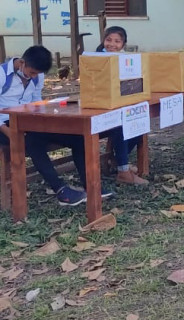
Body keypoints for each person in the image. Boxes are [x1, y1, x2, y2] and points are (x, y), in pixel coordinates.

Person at [0, 46, 112, 205]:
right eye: (31, 73)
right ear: (22, 63)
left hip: (28, 121)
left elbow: (36, 103)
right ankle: (61, 191)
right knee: (31, 142)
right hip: (4, 124)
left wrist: (48, 120)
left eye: (37, 74)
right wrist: (10, 132)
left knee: (79, 137)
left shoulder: (37, 77)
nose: (33, 77)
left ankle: (91, 186)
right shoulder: (2, 75)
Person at [96, 26, 147, 186]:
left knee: (139, 127)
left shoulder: (126, 59)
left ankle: (116, 161)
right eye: (108, 40)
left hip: (122, 102)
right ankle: (123, 171)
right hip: (101, 105)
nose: (112, 44)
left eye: (117, 41)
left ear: (123, 44)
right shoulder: (95, 58)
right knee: (122, 125)